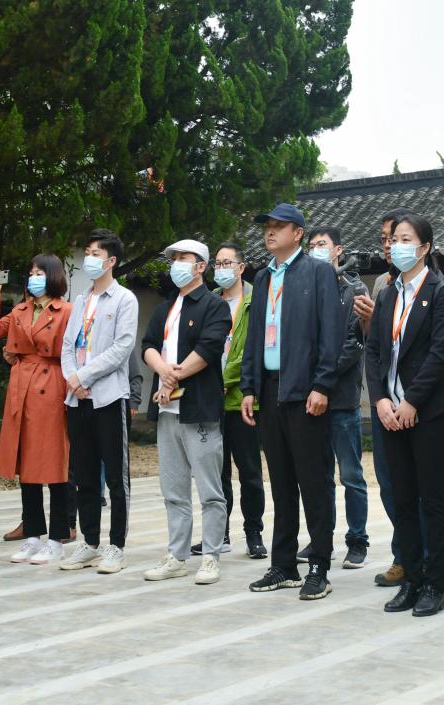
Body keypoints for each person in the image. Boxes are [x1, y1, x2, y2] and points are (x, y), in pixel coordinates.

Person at [240, 203, 341, 600]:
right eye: (267, 226)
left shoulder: (318, 272)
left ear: (298, 233)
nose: (270, 232)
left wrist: (323, 385)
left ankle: (319, 566)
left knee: (314, 482)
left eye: (278, 226)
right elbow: (254, 337)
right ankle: (283, 565)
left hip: (305, 391)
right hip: (269, 390)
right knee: (281, 483)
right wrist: (249, 387)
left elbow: (331, 334)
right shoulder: (264, 277)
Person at [366, 213, 444, 617]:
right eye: (393, 239)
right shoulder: (388, 293)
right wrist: (381, 400)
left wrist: (412, 402)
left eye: (405, 239)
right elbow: (374, 351)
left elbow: (439, 353)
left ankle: (435, 584)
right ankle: (412, 579)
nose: (396, 245)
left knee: (431, 499)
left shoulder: (441, 293)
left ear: (424, 248)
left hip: (426, 413)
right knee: (401, 498)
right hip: (390, 412)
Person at [140, 239, 232, 584]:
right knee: (174, 488)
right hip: (167, 410)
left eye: (183, 258)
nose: (176, 264)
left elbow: (208, 349)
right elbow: (148, 345)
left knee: (210, 489)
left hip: (199, 409)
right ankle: (176, 555)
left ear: (201, 267)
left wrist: (172, 376)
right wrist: (163, 371)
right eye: (173, 259)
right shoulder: (166, 307)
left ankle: (210, 556)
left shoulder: (214, 306)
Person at [58, 228, 139, 575]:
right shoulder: (80, 300)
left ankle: (116, 546)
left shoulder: (125, 300)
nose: (89, 259)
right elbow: (67, 346)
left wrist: (85, 376)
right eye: (87, 252)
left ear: (111, 261)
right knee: (84, 474)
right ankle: (89, 542)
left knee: (116, 478)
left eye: (96, 254)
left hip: (109, 397)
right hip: (77, 399)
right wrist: (73, 379)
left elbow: (122, 348)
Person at [0, 255, 74, 566]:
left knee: (54, 463)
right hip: (21, 386)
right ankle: (33, 535)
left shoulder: (66, 311)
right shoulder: (21, 310)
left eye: (40, 273)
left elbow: (72, 351)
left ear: (53, 277)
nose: (34, 278)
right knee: (26, 463)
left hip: (52, 385)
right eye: (31, 273)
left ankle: (57, 538)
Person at [349, 208, 415, 589]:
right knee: (389, 482)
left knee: (416, 485)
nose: (389, 245)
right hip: (384, 399)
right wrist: (368, 319)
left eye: (397, 238)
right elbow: (373, 346)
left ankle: (417, 557)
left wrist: (381, 319)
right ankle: (402, 553)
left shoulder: (430, 284)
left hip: (415, 400)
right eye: (385, 239)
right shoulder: (381, 286)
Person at [303, 226, 371, 569]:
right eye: (312, 245)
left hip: (340, 398)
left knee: (351, 475)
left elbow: (353, 345)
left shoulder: (354, 289)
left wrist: (321, 379)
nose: (316, 249)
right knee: (319, 476)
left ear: (338, 250)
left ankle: (357, 540)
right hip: (310, 399)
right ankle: (321, 540)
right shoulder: (305, 288)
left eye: (322, 244)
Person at [207, 242, 267, 560]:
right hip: (210, 401)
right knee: (217, 473)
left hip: (243, 399)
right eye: (217, 263)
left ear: (241, 267)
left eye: (227, 263)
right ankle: (220, 533)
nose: (221, 269)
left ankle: (253, 533)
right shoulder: (209, 301)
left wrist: (225, 381)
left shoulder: (256, 301)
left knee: (249, 471)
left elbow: (252, 351)